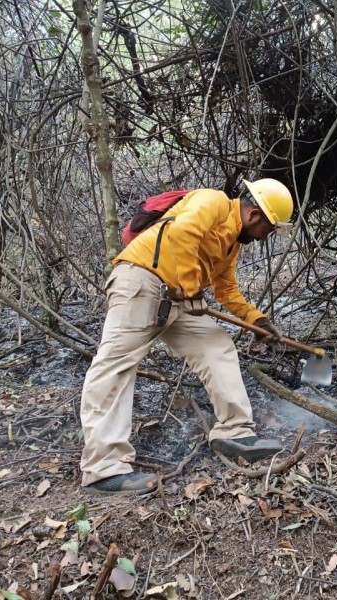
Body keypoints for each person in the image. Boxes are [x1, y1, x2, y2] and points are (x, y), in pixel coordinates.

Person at [79, 178, 294, 495]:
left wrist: (257, 320)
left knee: (215, 345)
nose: (265, 238)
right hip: (141, 281)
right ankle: (103, 470)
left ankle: (234, 432)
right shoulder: (214, 202)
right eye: (269, 229)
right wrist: (193, 287)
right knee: (115, 366)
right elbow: (183, 233)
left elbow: (227, 291)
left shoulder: (230, 243)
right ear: (255, 216)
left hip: (177, 300)